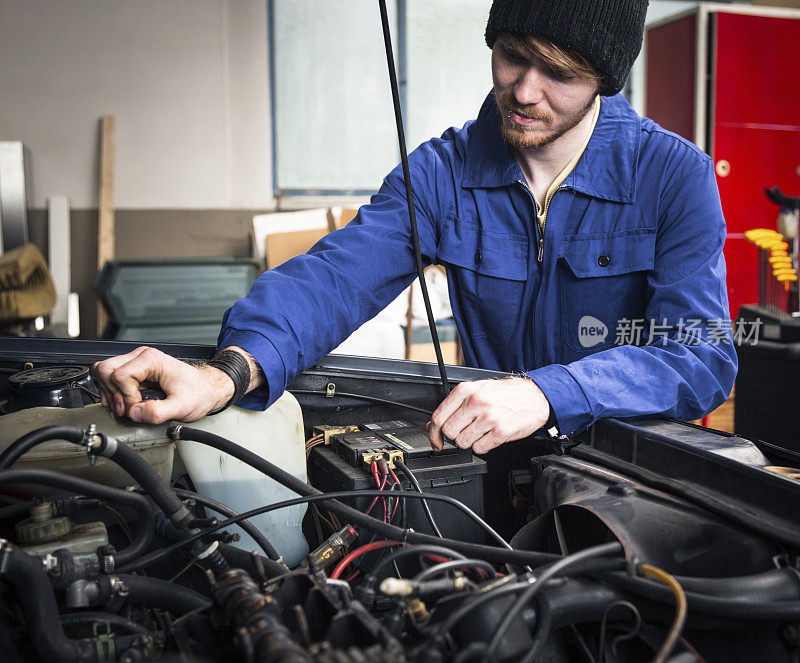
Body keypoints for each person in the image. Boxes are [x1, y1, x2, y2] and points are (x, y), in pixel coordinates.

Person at [92, 0, 737, 455]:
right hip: (490, 460)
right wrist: (228, 370)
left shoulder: (673, 178)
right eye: (514, 57)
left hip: (630, 471)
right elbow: (337, 278)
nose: (525, 92)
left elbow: (701, 353)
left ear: (604, 79)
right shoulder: (443, 172)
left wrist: (547, 394)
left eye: (561, 73)